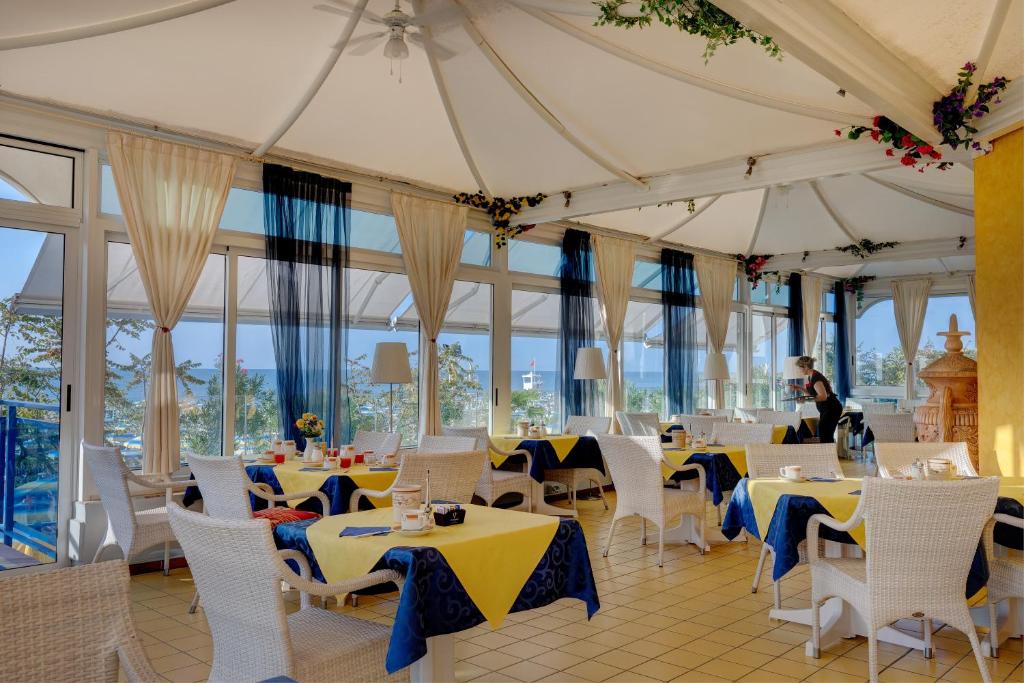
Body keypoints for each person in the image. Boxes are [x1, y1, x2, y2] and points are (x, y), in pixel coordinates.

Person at [792, 356, 843, 444]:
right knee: (825, 434)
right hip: (827, 409)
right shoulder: (811, 377)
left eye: (800, 368)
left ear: (806, 367)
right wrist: (800, 389)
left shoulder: (816, 378)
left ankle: (829, 456)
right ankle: (828, 455)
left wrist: (805, 399)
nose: (799, 370)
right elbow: (812, 395)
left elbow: (823, 397)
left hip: (831, 408)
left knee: (825, 434)